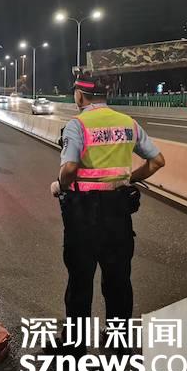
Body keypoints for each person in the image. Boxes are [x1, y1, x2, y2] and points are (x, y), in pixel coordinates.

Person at [49, 68, 165, 356]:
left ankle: (75, 348)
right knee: (118, 279)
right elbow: (157, 161)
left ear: (80, 95)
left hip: (83, 214)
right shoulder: (128, 123)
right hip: (118, 212)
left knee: (80, 281)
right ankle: (119, 342)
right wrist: (128, 179)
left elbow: (70, 168)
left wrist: (60, 184)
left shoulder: (77, 125)